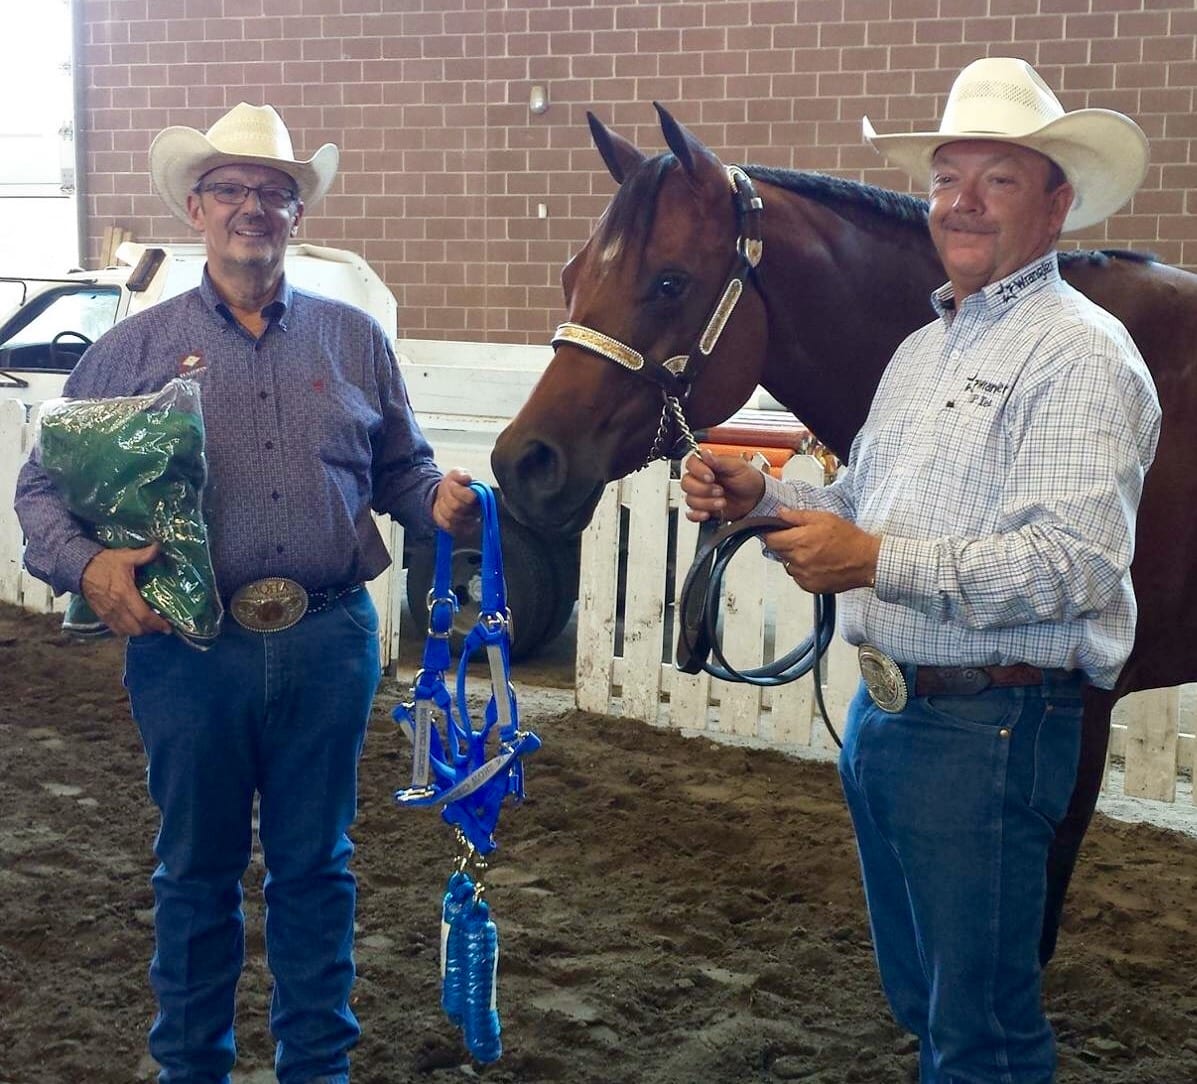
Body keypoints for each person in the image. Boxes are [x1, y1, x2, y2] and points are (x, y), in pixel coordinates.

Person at [681, 57, 1160, 1083]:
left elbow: (1072, 565)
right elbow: (862, 510)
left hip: (990, 727)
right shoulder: (922, 352)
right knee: (929, 1003)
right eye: (948, 179)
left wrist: (876, 560)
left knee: (982, 1034)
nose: (962, 204)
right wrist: (760, 498)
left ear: (1057, 201)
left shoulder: (1083, 356)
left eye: (998, 179)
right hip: (893, 719)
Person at [14, 102, 479, 1084]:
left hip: (328, 637)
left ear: (298, 214)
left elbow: (400, 467)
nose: (251, 208)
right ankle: (194, 1068)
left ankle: (319, 1069)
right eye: (229, 189)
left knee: (318, 867)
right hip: (189, 649)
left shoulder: (356, 340)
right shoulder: (133, 349)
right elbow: (42, 484)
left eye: (272, 192)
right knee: (196, 872)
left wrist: (437, 500)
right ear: (196, 208)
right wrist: (88, 567)